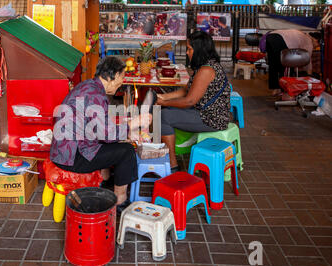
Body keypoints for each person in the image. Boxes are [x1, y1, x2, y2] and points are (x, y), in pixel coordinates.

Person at [50, 56, 152, 211]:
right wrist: (135, 123)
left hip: (65, 151)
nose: (122, 82)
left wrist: (127, 133)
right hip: (72, 157)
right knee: (127, 151)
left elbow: (100, 128)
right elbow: (106, 134)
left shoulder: (89, 86)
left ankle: (104, 183)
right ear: (115, 76)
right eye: (122, 77)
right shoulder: (95, 95)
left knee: (119, 143)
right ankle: (120, 202)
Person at [156, 31, 231, 172]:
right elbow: (187, 90)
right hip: (204, 111)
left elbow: (189, 101)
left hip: (212, 118)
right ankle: (167, 156)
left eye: (189, 49)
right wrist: (165, 97)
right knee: (166, 111)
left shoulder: (206, 70)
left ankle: (172, 165)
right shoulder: (205, 66)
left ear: (199, 50)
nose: (186, 52)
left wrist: (163, 103)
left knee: (163, 116)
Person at [264, 29, 320, 95]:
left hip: (270, 36)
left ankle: (275, 89)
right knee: (286, 65)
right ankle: (285, 90)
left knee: (273, 64)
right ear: (316, 40)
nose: (316, 47)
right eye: (317, 45)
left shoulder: (302, 34)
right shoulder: (309, 41)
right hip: (280, 39)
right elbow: (307, 60)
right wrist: (309, 77)